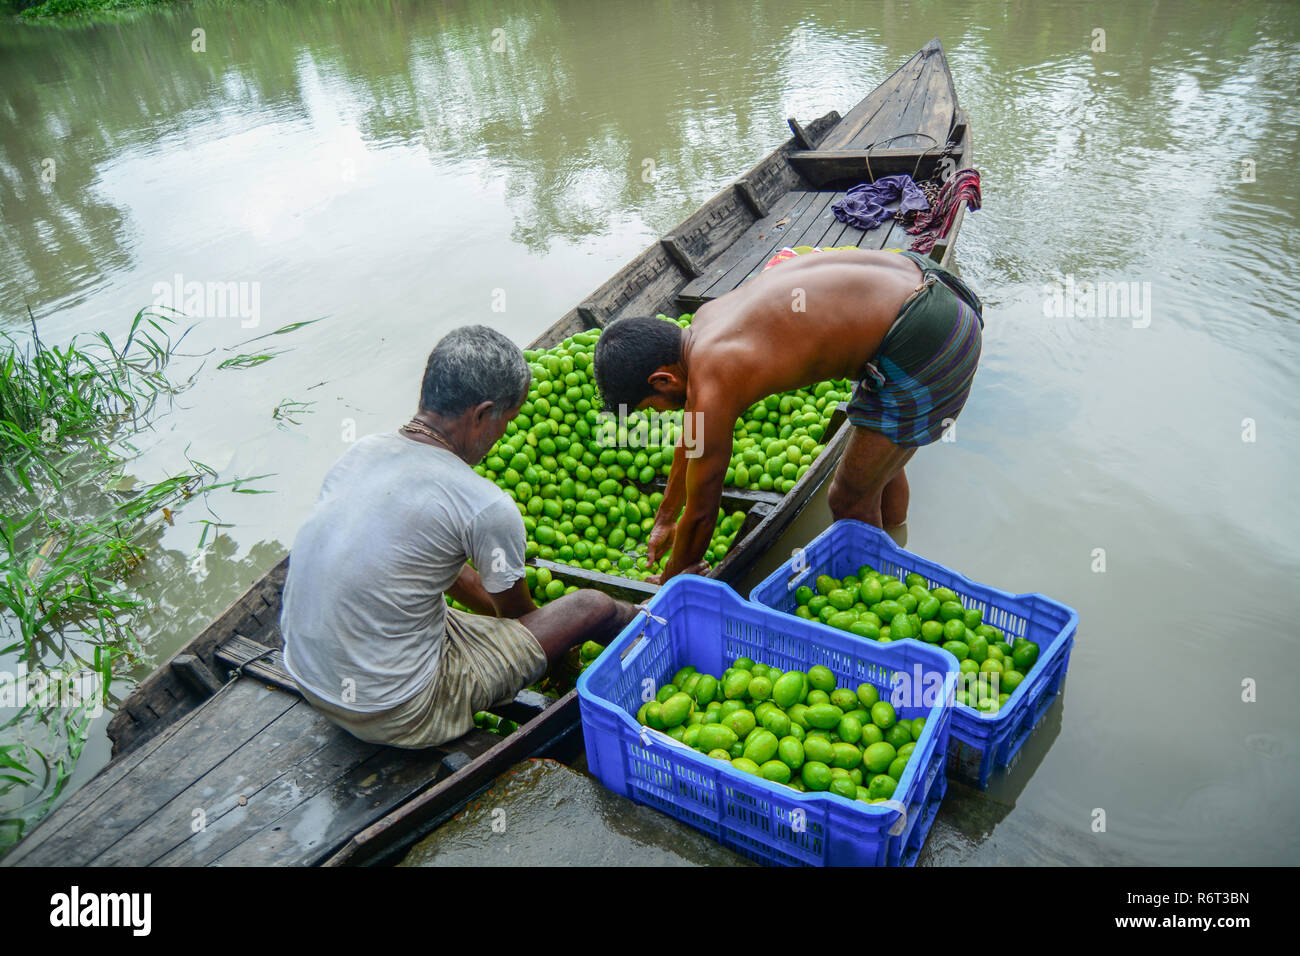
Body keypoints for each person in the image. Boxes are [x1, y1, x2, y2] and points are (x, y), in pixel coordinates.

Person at [281, 325, 637, 748]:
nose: (503, 433)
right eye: (507, 419)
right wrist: (560, 642)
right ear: (483, 414)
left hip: (309, 679)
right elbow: (516, 616)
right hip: (400, 711)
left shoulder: (358, 453)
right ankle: (661, 630)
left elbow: (433, 566)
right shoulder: (486, 505)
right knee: (590, 606)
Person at [592, 248, 983, 584]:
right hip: (928, 282)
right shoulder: (706, 321)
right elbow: (691, 442)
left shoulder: (713, 378)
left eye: (653, 406)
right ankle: (896, 542)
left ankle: (879, 591)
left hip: (927, 335)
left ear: (662, 379)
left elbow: (702, 511)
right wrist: (665, 518)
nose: (663, 413)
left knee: (847, 499)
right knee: (878, 458)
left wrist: (674, 578)